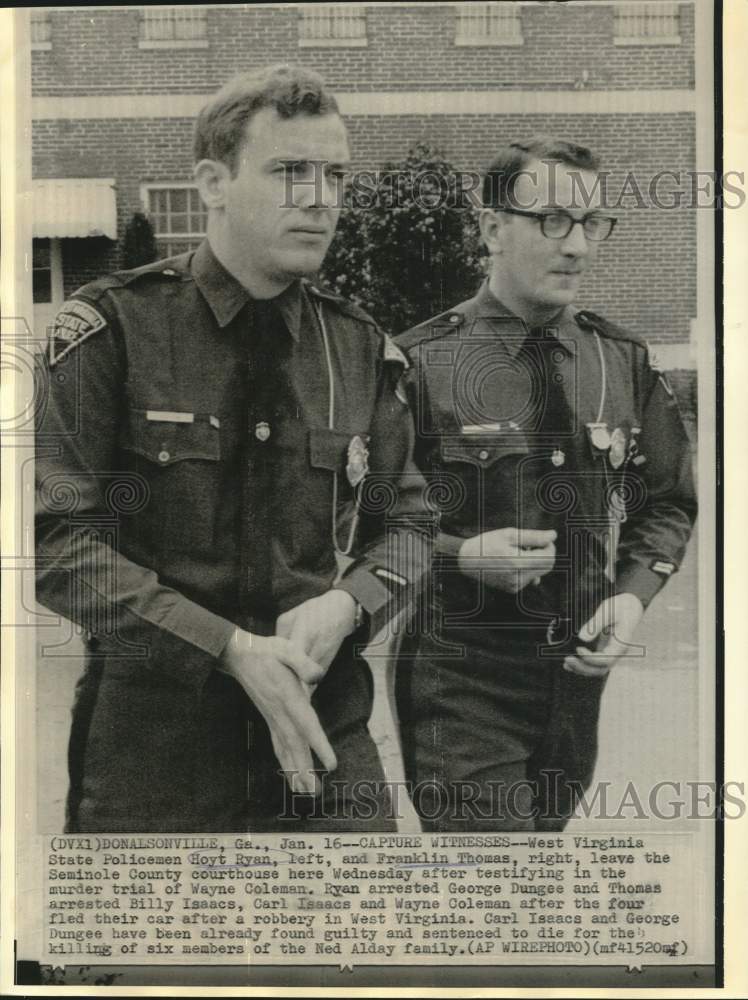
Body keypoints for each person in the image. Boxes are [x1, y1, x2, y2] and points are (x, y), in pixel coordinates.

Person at [35, 64, 431, 834]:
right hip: (158, 746)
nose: (321, 198)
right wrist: (226, 648)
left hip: (324, 731)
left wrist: (349, 603)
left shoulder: (357, 348)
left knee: (358, 944)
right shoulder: (113, 328)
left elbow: (410, 523)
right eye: (290, 172)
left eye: (334, 175)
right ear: (213, 183)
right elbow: (54, 543)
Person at [395, 137, 696, 831]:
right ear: (492, 228)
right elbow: (361, 519)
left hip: (576, 684)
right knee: (499, 894)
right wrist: (459, 554)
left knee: (539, 892)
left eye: (591, 224)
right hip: (462, 680)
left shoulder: (617, 357)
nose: (577, 246)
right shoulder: (422, 362)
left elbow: (670, 500)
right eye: (552, 220)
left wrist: (633, 596)